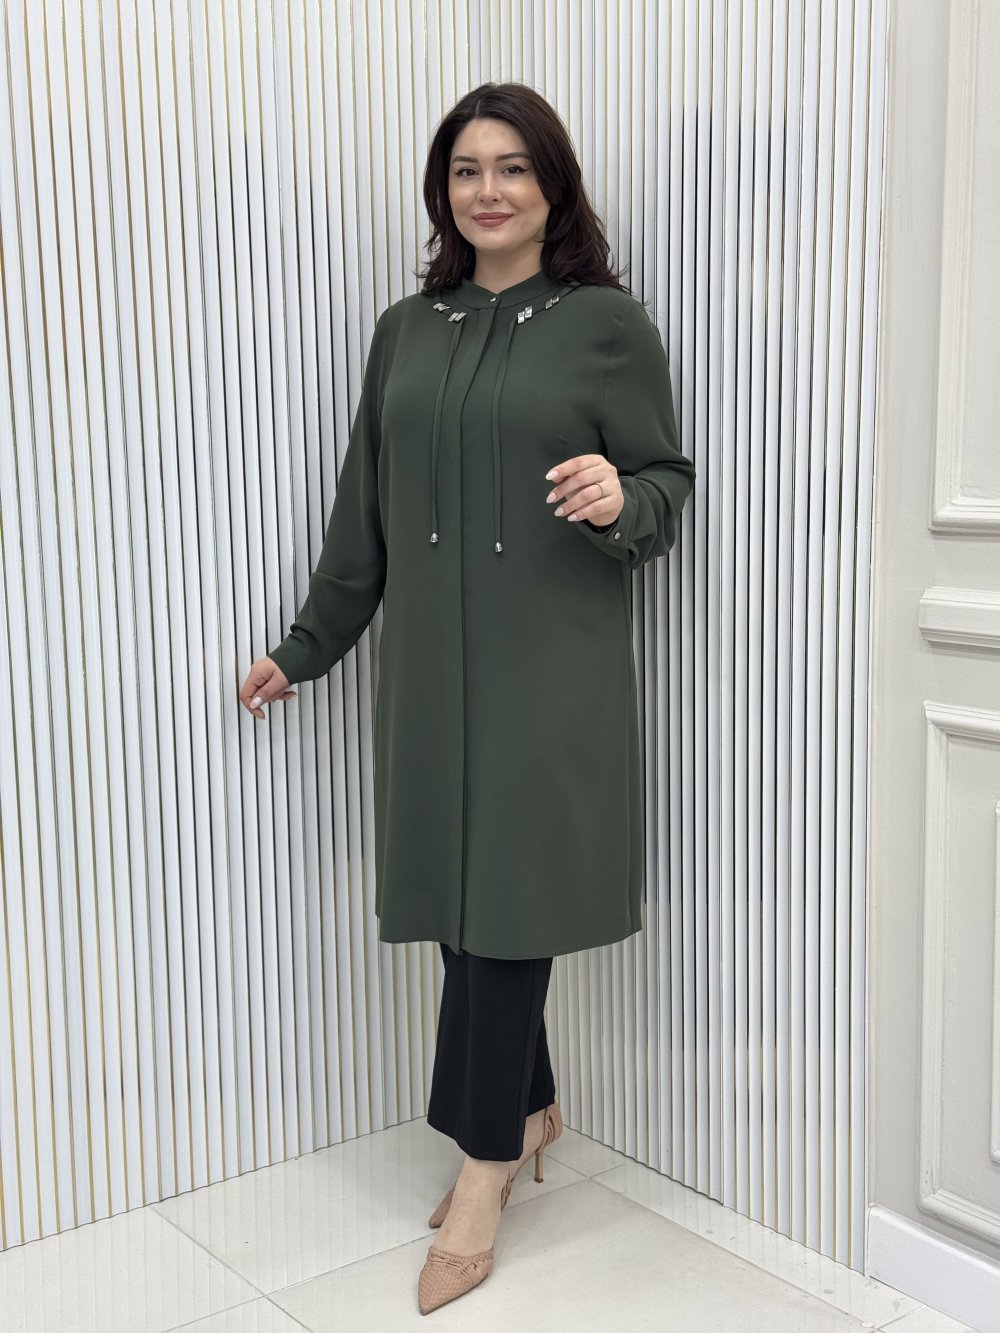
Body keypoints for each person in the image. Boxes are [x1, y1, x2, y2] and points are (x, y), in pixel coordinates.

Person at [239, 81, 695, 1316]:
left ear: (554, 185)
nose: (488, 190)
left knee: (508, 913)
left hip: (551, 670)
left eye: (512, 167)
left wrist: (622, 497)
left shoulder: (606, 326)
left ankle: (485, 1163)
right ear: (443, 192)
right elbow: (364, 510)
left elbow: (663, 481)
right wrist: (307, 645)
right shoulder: (407, 328)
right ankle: (531, 1106)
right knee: (459, 902)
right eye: (464, 170)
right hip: (431, 671)